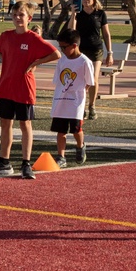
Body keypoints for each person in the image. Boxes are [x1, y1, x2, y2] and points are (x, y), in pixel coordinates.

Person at [0, 1, 60, 180]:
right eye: (15, 14)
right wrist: (4, 57)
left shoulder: (33, 38)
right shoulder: (6, 36)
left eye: (21, 15)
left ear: (29, 18)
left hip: (24, 88)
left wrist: (34, 63)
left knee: (25, 125)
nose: (17, 18)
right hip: (6, 86)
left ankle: (26, 163)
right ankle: (4, 161)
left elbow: (56, 54)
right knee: (5, 123)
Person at [50, 29, 94, 168]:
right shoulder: (62, 60)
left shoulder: (84, 62)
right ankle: (61, 156)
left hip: (75, 102)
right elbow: (58, 81)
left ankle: (80, 145)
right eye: (60, 47)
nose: (62, 50)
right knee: (61, 131)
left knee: (76, 130)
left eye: (64, 47)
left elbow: (89, 82)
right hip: (61, 101)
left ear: (74, 45)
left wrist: (78, 95)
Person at [68, 0, 112, 119]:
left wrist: (110, 52)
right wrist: (73, 14)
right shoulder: (79, 13)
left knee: (93, 78)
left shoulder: (100, 14)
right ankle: (80, 105)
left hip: (96, 49)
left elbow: (106, 34)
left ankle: (92, 105)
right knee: (81, 79)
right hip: (81, 50)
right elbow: (71, 30)